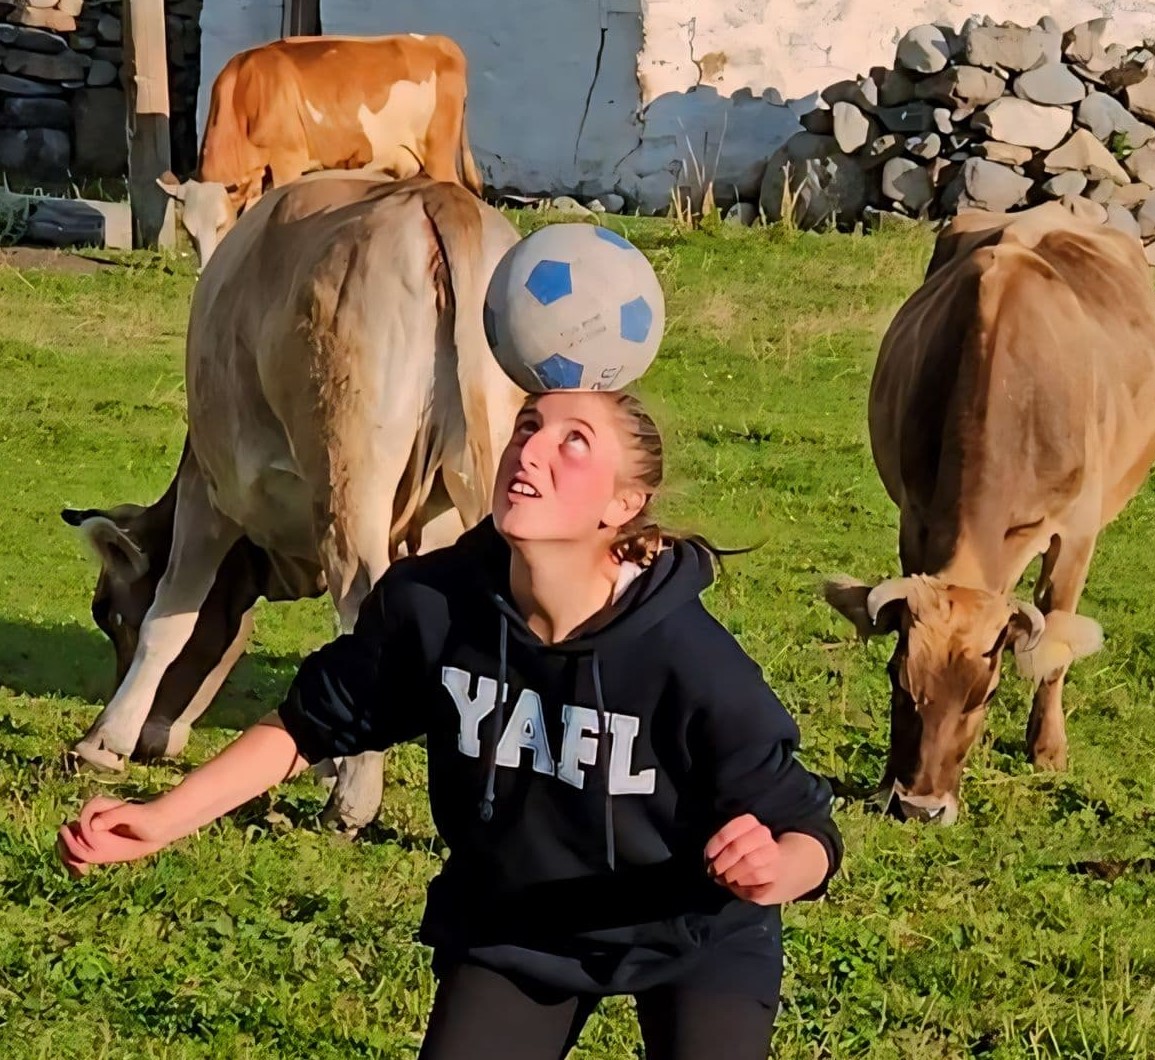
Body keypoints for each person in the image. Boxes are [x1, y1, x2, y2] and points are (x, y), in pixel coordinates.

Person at [58, 389, 843, 1060]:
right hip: (521, 923)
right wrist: (160, 820)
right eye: (529, 426)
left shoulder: (688, 657)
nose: (532, 450)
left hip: (690, 934)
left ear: (622, 505)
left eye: (575, 441)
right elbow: (308, 725)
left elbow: (807, 830)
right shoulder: (435, 606)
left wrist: (778, 867)